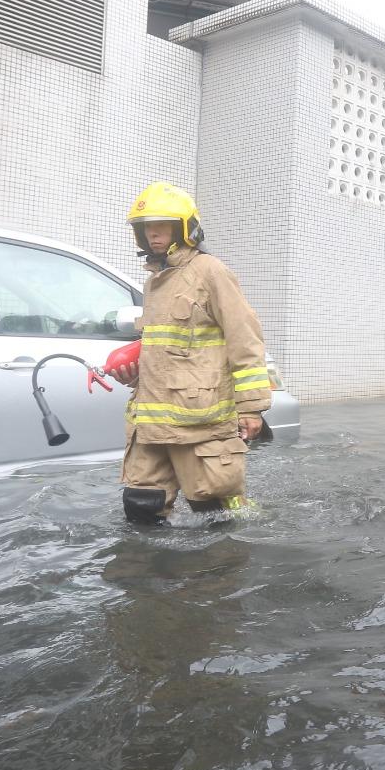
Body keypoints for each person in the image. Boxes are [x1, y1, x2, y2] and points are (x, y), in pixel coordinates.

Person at [109, 182, 271, 526]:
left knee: (214, 517)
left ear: (185, 228)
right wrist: (134, 373)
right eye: (145, 227)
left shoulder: (211, 271)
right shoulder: (155, 281)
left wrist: (251, 408)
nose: (153, 234)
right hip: (150, 425)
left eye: (162, 226)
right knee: (141, 507)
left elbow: (245, 339)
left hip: (201, 424)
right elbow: (175, 350)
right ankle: (149, 577)